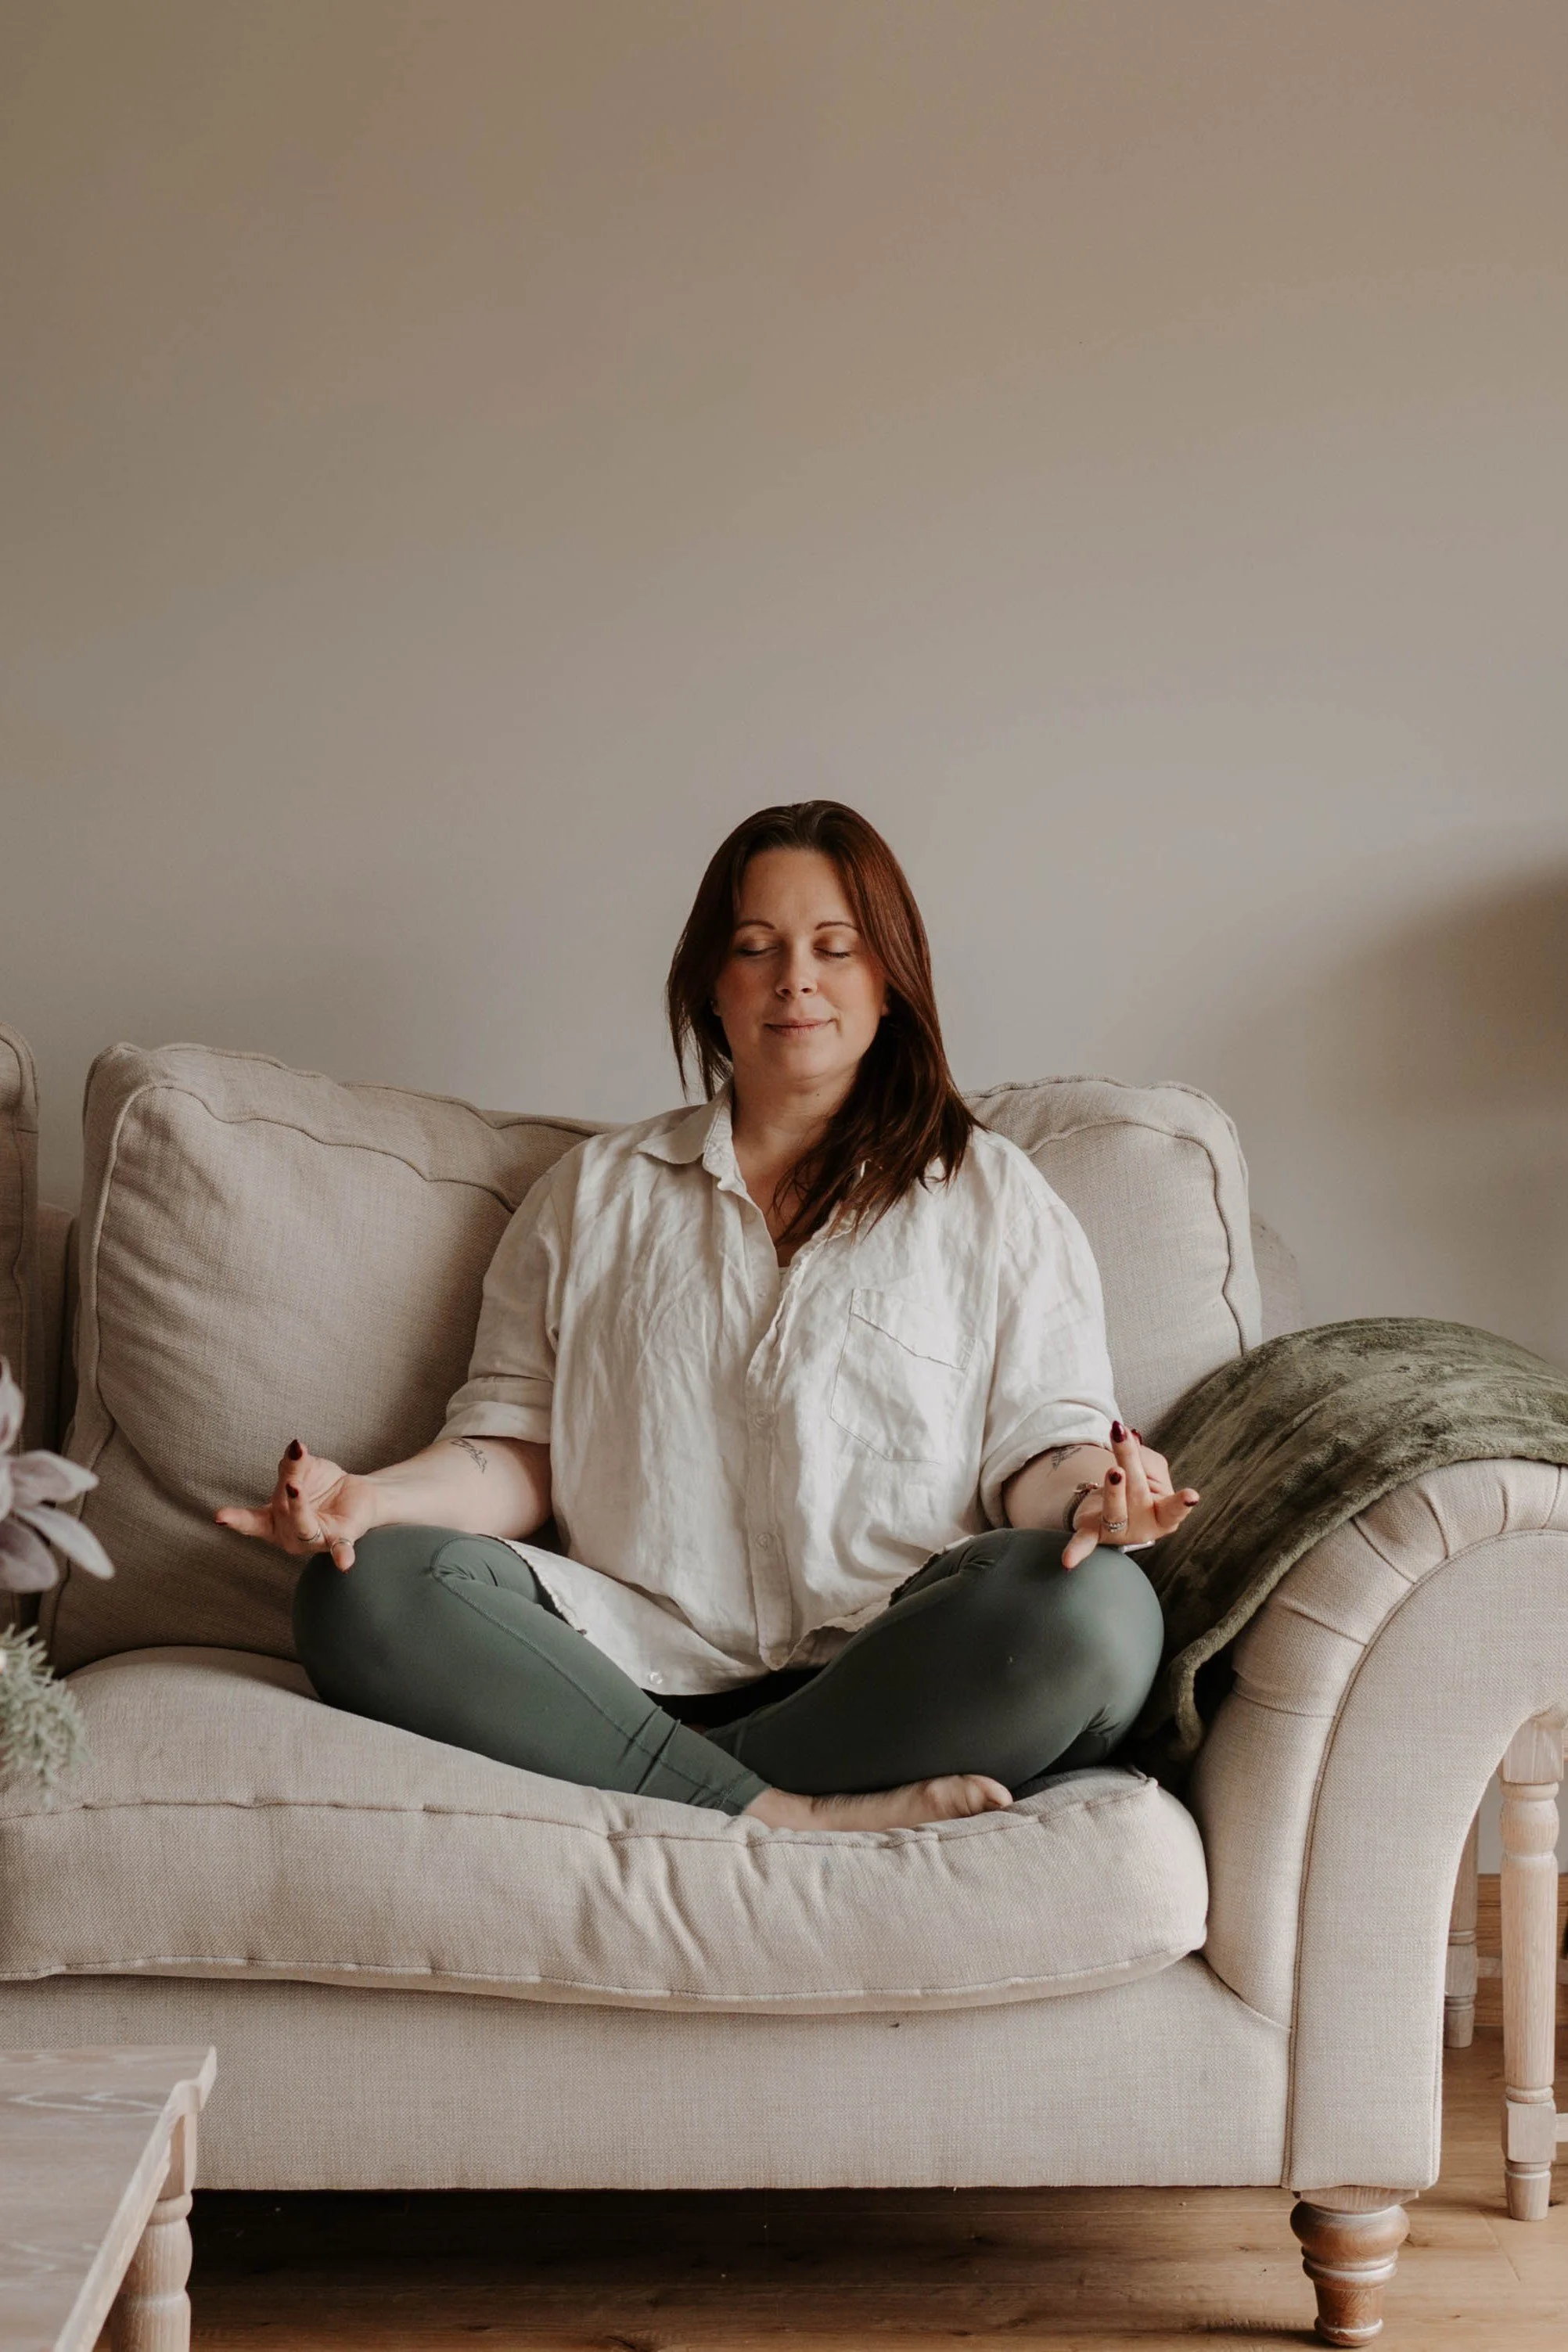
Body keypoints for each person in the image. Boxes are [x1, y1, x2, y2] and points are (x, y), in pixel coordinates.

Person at [218, 802, 1199, 1830]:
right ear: (709, 985)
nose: (795, 979)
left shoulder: (995, 1196)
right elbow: (513, 1454)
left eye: (835, 947)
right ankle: (784, 1811)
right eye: (755, 947)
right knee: (357, 1586)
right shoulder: (592, 1194)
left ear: (890, 980)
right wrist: (367, 1499)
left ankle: (666, 1787)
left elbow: (1041, 1453)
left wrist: (1101, 1498)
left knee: (1103, 1613)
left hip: (892, 1663)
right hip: (616, 1666)